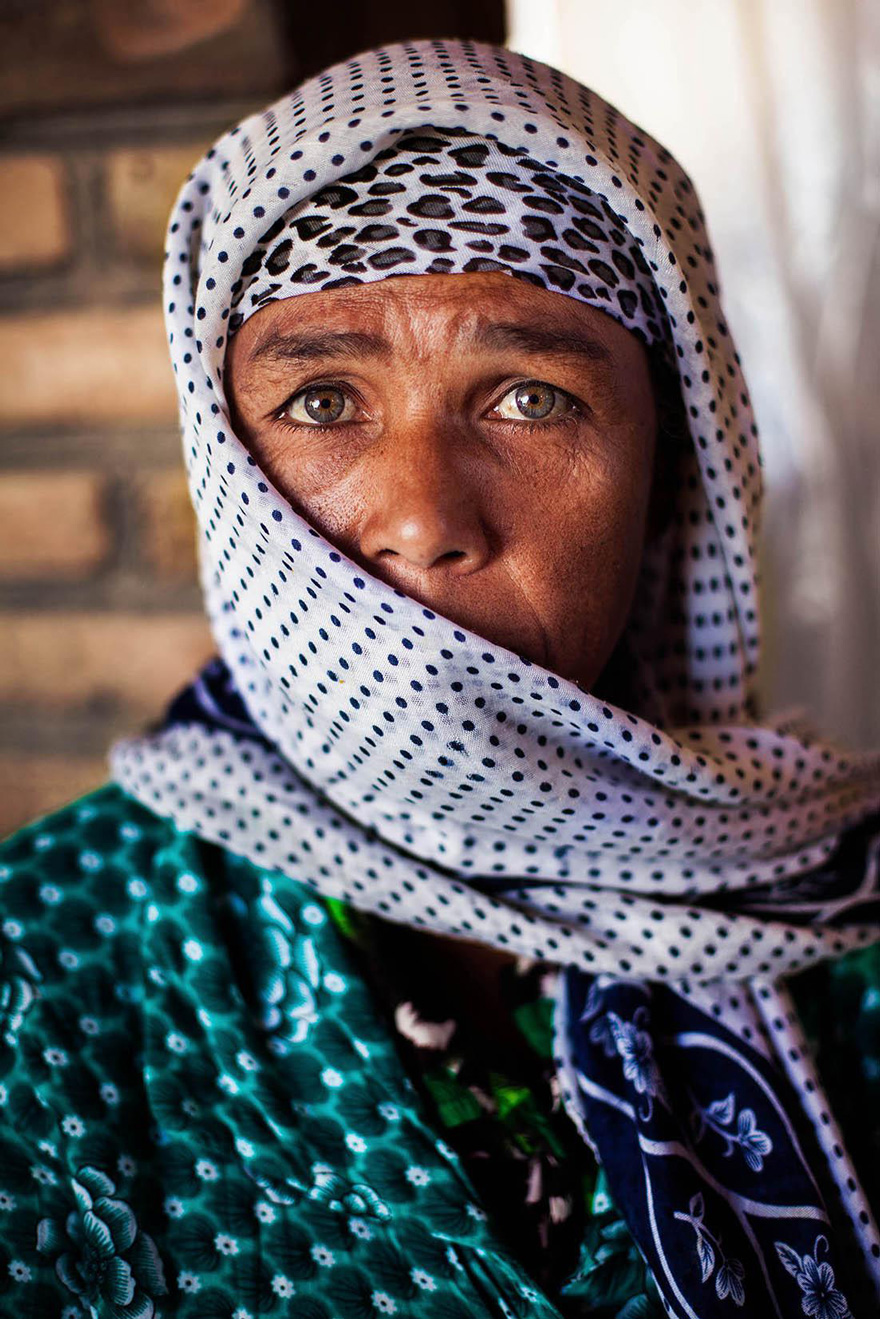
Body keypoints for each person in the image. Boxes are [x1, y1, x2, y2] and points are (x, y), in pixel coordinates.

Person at [1, 38, 879, 1319]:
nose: (422, 520)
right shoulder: (38, 969)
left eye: (531, 398)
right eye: (321, 401)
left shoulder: (838, 913)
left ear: (670, 475)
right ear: (224, 468)